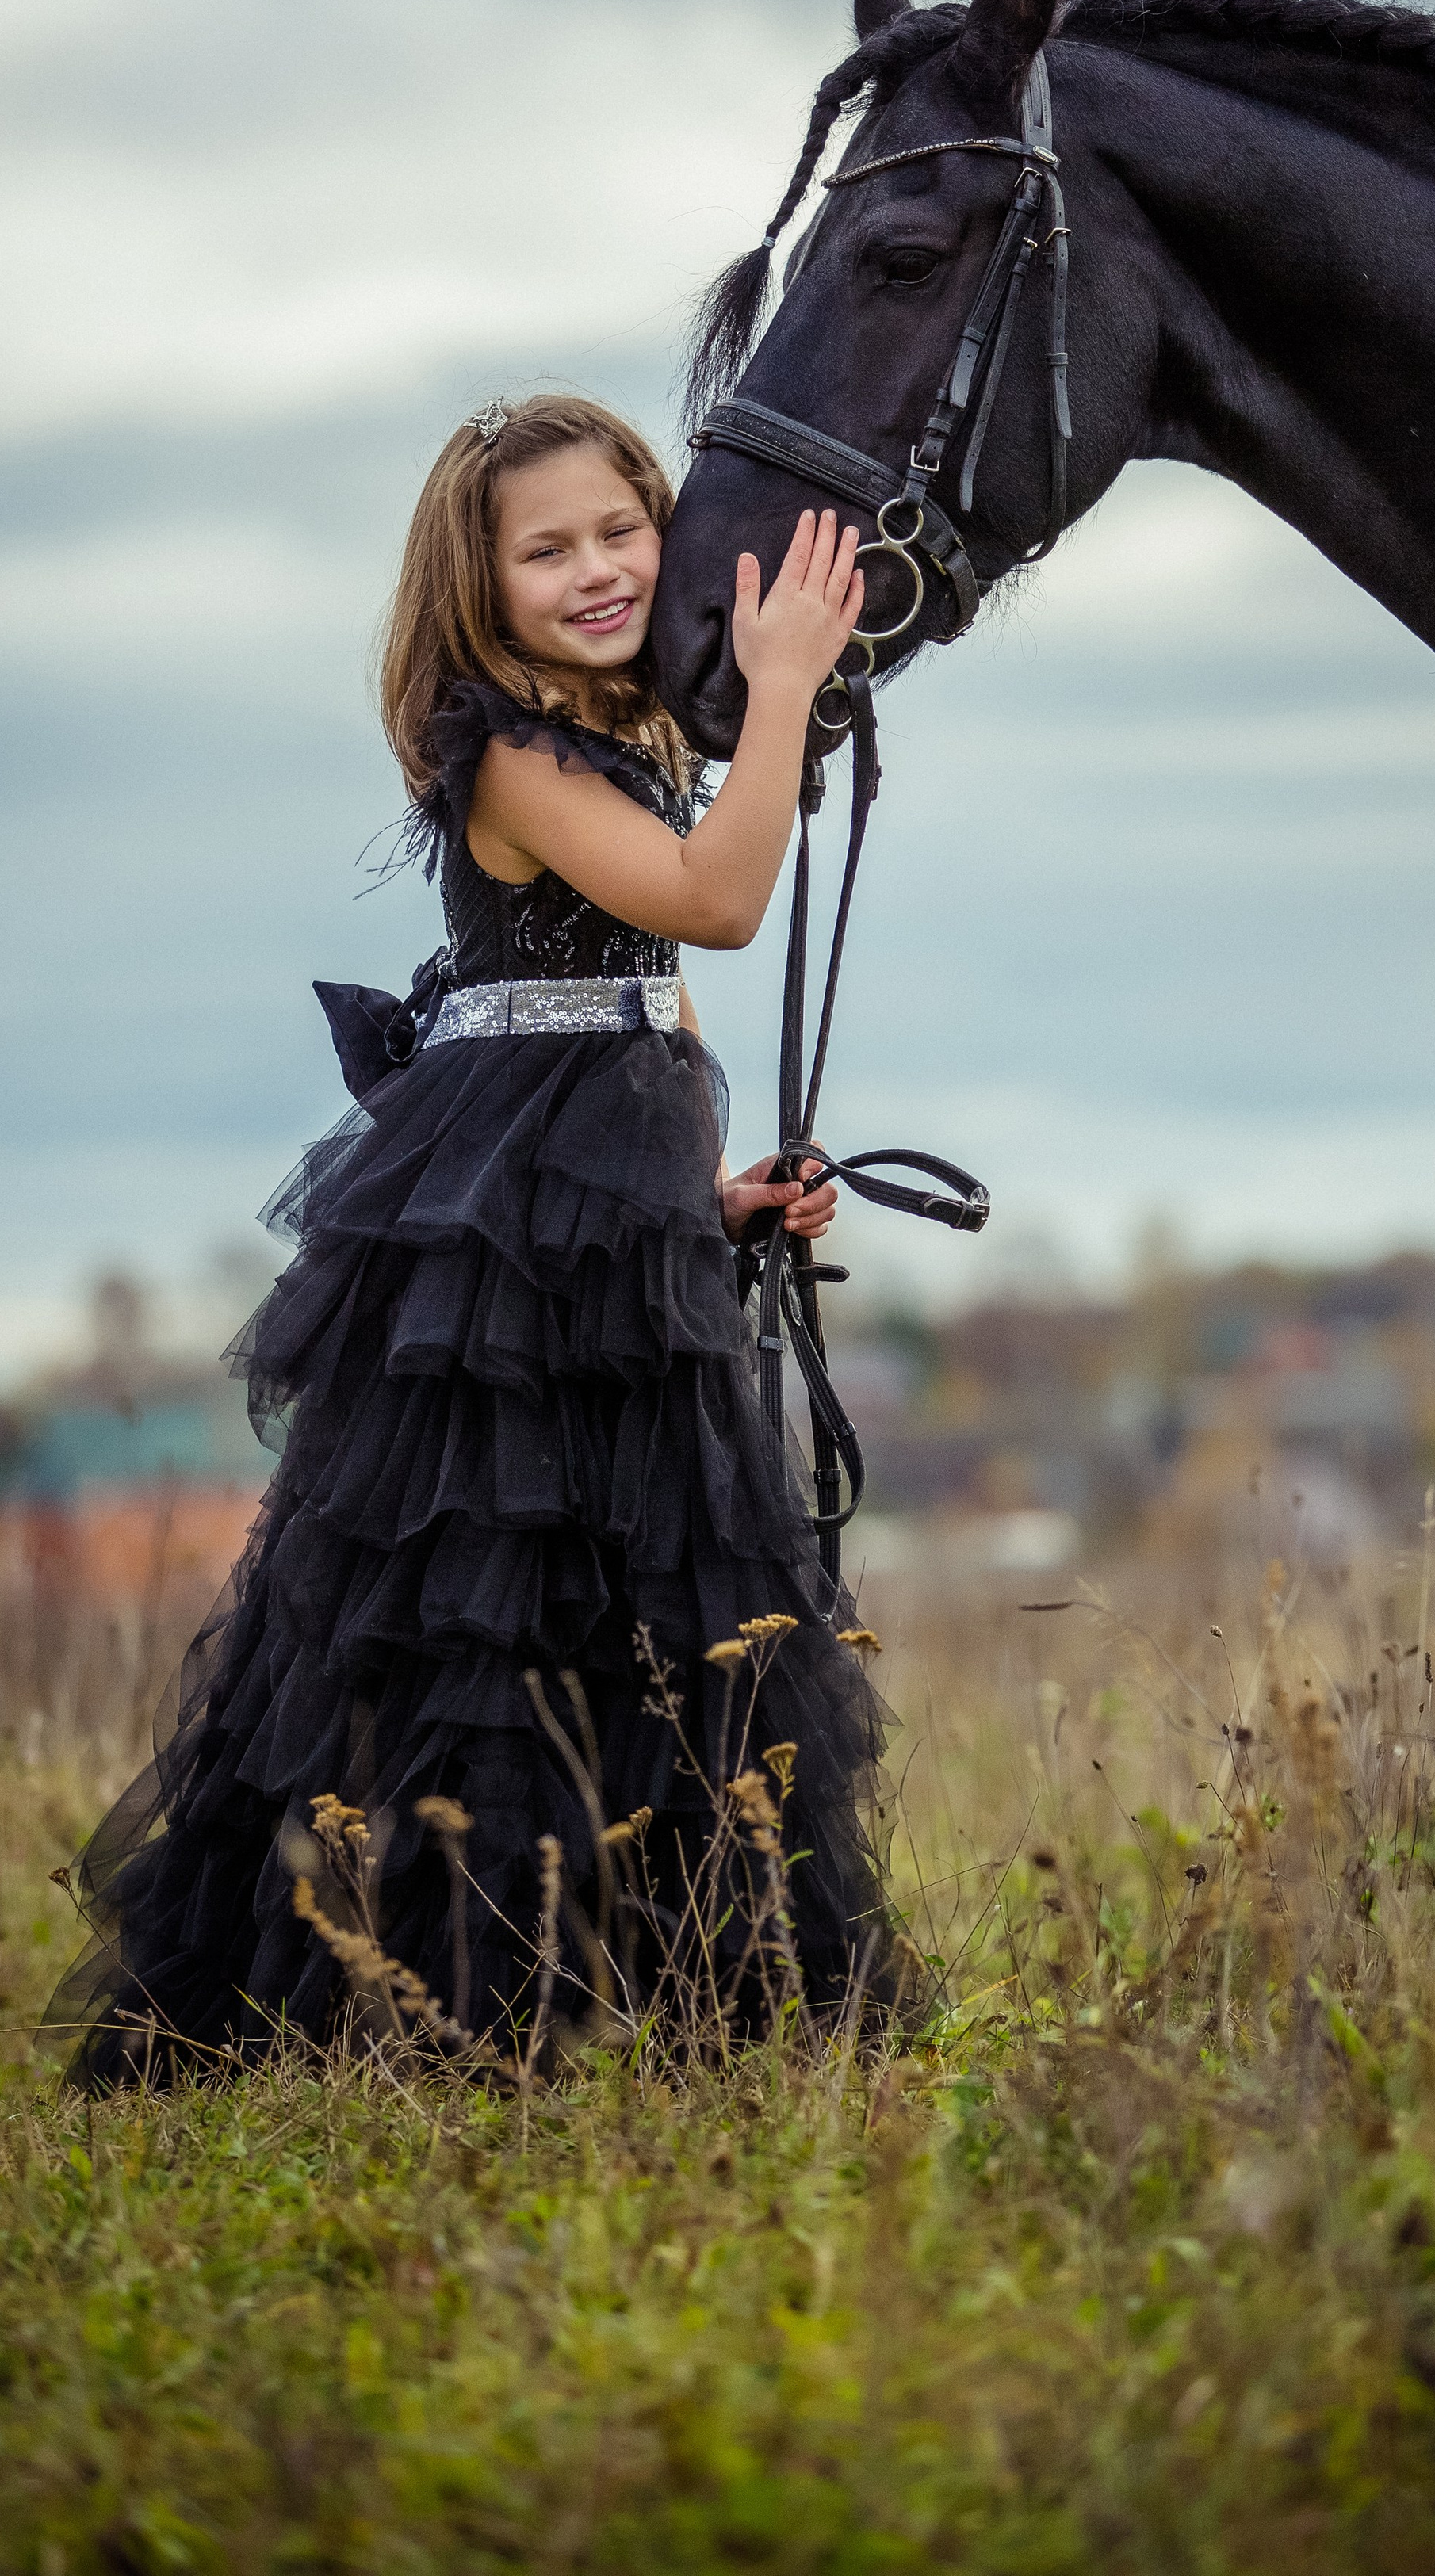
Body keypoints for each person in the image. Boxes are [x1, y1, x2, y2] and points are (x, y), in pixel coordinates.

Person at [50, 392, 884, 2085]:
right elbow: (716, 899)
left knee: (639, 1595)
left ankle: (654, 1984)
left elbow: (646, 1003)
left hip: (604, 1207)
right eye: (547, 548)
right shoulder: (503, 743)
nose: (594, 571)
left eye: (618, 531)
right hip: (499, 1229)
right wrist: (786, 679)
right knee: (467, 1611)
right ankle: (425, 1989)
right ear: (480, 584)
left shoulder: (629, 737)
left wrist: (703, 1200)